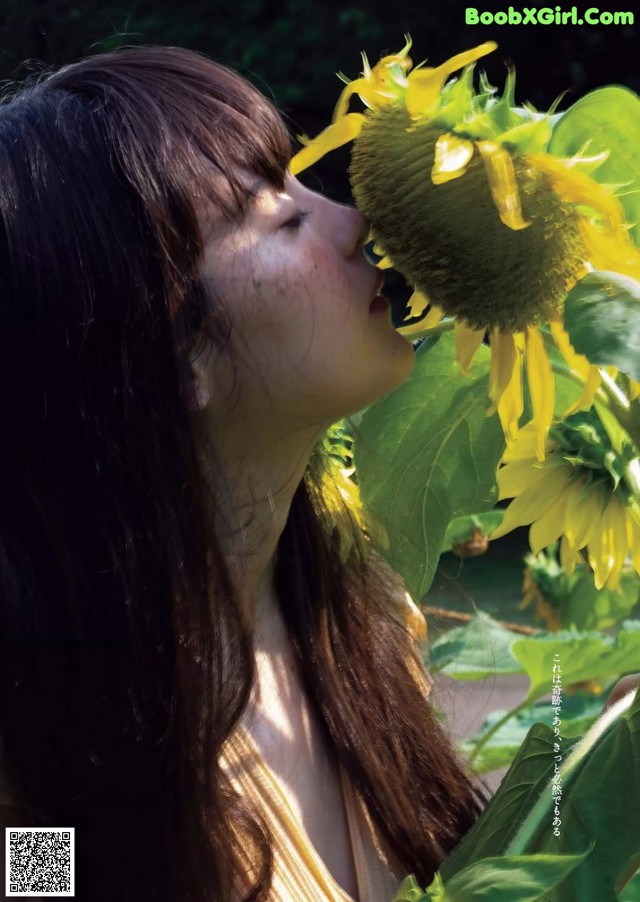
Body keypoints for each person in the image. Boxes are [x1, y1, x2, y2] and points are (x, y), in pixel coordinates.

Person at [0, 43, 635, 902]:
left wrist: (588, 769)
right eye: (278, 216)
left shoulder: (365, 626)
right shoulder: (33, 772)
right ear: (170, 356)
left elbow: (463, 879)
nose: (354, 220)